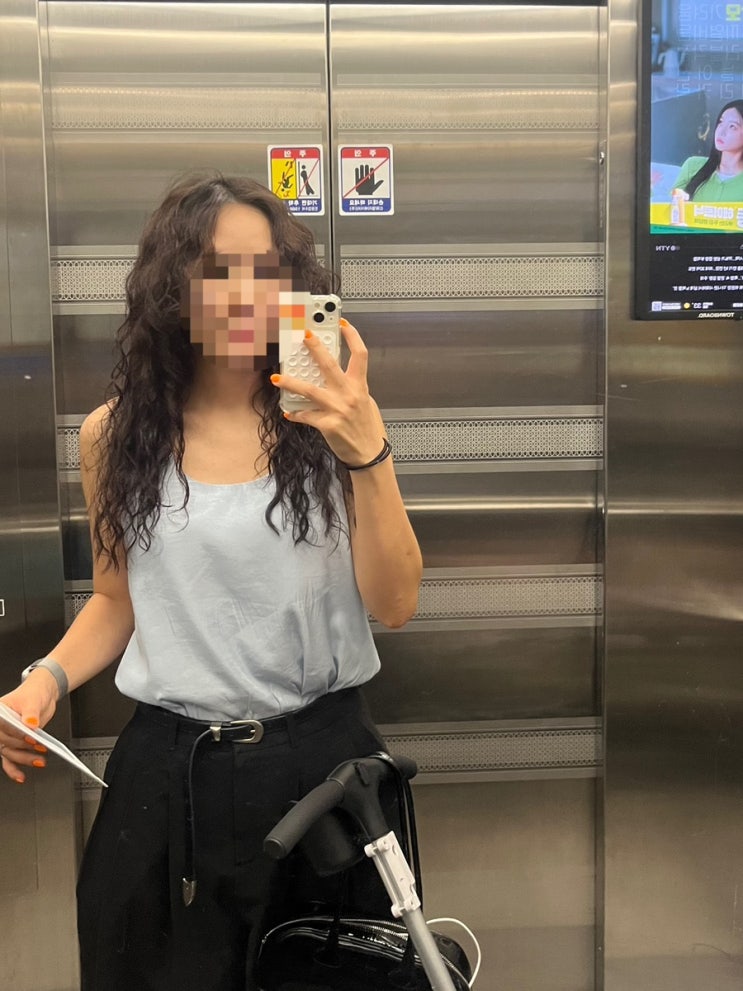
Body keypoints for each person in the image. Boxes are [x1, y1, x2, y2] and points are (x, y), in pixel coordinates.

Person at [0, 172, 423, 990]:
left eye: (266, 269)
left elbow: (396, 602)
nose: (244, 293)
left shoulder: (331, 422)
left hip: (324, 775)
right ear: (172, 286)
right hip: (169, 780)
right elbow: (117, 599)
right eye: (216, 269)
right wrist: (41, 683)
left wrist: (366, 451)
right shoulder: (113, 436)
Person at [671, 100, 743, 203]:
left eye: (732, 126)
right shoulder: (693, 165)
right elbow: (669, 207)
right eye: (721, 122)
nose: (721, 131)